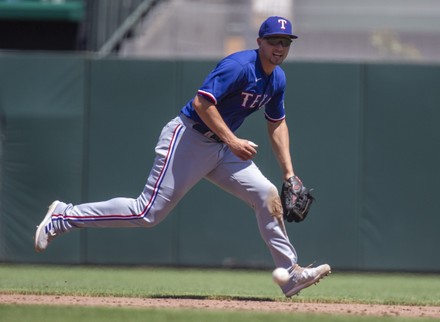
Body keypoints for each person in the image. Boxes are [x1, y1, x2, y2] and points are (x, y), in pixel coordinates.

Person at [35, 16, 330, 297]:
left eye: (285, 42)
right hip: (189, 138)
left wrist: (289, 174)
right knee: (146, 213)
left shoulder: (277, 79)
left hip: (222, 148)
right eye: (273, 41)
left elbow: (277, 123)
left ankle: (290, 273)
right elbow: (201, 103)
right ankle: (64, 215)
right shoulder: (239, 66)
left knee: (267, 194)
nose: (279, 48)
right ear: (260, 41)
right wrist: (233, 140)